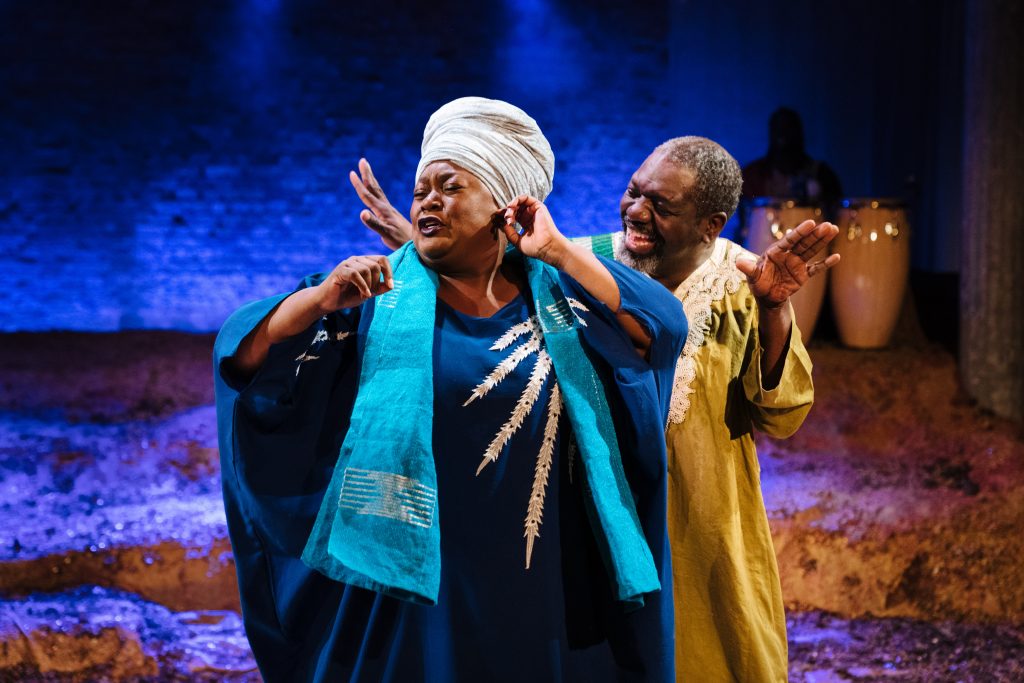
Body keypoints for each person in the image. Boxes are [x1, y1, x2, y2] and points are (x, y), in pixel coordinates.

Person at [214, 97, 687, 682]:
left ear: (505, 204)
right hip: (414, 589)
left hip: (540, 588)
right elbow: (245, 359)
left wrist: (559, 251)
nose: (427, 201)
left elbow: (664, 327)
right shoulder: (375, 298)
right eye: (421, 190)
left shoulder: (565, 302)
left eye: (449, 185)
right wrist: (319, 299)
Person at [353, 136, 839, 682]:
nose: (637, 211)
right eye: (633, 192)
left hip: (697, 527)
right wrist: (418, 241)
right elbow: (484, 268)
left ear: (711, 223)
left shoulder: (744, 286)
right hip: (595, 521)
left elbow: (783, 413)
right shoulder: (576, 263)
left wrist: (774, 309)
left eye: (662, 206)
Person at [741, 106, 843, 211]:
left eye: (788, 130)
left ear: (798, 134)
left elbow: (835, 213)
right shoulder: (752, 175)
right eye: (778, 130)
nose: (782, 137)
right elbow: (743, 217)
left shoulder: (822, 175)